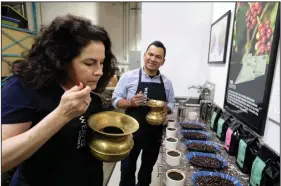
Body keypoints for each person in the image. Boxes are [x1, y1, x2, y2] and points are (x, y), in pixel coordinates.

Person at [1, 14, 116, 186]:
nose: (99, 71)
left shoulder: (87, 90)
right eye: (90, 63)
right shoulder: (23, 88)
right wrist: (61, 115)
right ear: (61, 60)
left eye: (102, 63)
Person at [112, 41, 175, 186]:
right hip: (131, 133)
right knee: (127, 169)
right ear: (144, 55)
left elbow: (171, 103)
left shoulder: (167, 83)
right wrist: (130, 102)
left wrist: (167, 109)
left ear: (163, 61)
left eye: (158, 57)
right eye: (150, 54)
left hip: (154, 134)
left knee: (147, 170)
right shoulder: (128, 77)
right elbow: (115, 100)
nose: (153, 59)